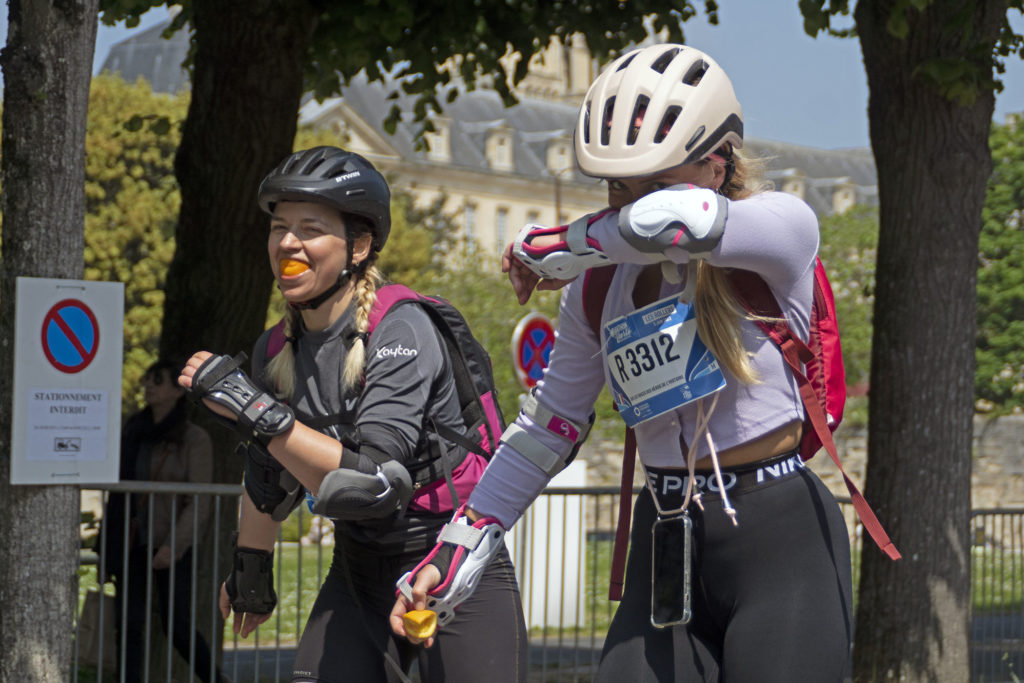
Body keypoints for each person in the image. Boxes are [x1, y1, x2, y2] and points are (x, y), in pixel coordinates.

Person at [391, 43, 853, 682]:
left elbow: (675, 222)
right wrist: (459, 544)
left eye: (653, 182)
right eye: (614, 186)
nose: (626, 204)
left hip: (779, 538)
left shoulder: (779, 232)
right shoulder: (596, 288)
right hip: (665, 538)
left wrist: (557, 243)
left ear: (717, 167)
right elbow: (548, 427)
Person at [178, 146, 527, 683]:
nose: (288, 244)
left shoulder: (402, 327)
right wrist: (252, 570)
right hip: (358, 567)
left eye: (310, 228)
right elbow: (270, 475)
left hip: (447, 564)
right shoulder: (277, 349)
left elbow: (376, 481)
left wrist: (255, 410)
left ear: (359, 246)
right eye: (279, 227)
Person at [101, 359, 224, 683]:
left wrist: (174, 545)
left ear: (177, 391)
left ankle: (215, 679)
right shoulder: (133, 430)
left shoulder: (193, 438)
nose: (149, 386)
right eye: (147, 380)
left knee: (177, 626)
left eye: (158, 380)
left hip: (172, 545)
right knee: (128, 624)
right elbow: (117, 492)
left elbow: (199, 501)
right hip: (131, 540)